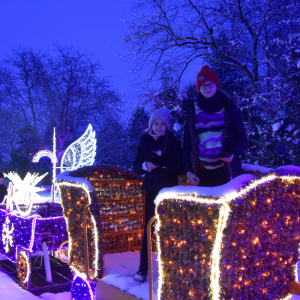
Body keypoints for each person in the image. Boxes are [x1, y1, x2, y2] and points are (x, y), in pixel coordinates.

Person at [133, 107, 183, 283]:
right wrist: (147, 165)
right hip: (151, 189)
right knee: (148, 228)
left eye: (163, 123)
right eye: (156, 123)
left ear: (167, 125)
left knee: (168, 229)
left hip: (168, 190)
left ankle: (170, 268)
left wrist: (164, 163)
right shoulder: (144, 141)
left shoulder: (173, 141)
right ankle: (142, 268)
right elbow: (136, 167)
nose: (159, 126)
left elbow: (180, 167)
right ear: (151, 124)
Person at [183, 65, 247, 187]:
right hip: (201, 173)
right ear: (199, 88)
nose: (208, 88)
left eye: (211, 84)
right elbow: (186, 146)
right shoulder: (192, 111)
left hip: (227, 171)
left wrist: (232, 153)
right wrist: (188, 171)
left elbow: (242, 140)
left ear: (217, 85)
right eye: (203, 85)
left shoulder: (230, 108)